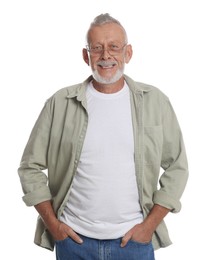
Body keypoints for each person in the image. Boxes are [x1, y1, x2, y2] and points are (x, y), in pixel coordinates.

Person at [18, 13, 188, 260]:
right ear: (86, 56)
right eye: (96, 48)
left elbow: (178, 167)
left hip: (134, 243)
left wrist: (149, 226)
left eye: (114, 47)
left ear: (128, 53)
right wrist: (54, 225)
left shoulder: (155, 102)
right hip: (73, 243)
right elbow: (29, 167)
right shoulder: (60, 103)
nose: (106, 56)